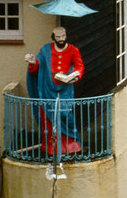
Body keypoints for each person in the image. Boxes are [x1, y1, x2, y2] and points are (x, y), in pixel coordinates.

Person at [25, 26, 85, 154]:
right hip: (47, 88)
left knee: (66, 117)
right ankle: (51, 147)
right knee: (48, 119)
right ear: (53, 37)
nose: (61, 39)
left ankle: (70, 146)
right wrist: (32, 62)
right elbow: (38, 65)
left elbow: (79, 66)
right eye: (58, 37)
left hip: (65, 89)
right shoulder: (46, 50)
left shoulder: (73, 50)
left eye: (63, 36)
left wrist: (74, 75)